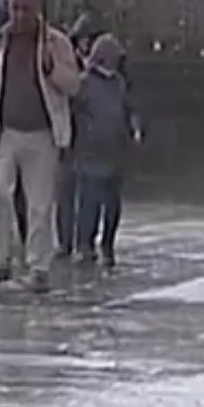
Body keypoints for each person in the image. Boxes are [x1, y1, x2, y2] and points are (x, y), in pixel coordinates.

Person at [0, 0, 80, 294]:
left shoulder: (56, 43)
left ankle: (38, 267)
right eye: (15, 8)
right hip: (3, 133)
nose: (19, 15)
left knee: (40, 204)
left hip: (42, 134)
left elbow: (73, 86)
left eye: (26, 9)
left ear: (38, 10)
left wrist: (51, 69)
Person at [71, 34, 139, 268]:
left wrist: (132, 131)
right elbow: (75, 114)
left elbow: (127, 110)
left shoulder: (119, 83)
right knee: (89, 203)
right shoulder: (84, 83)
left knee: (112, 205)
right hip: (91, 153)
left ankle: (107, 244)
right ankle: (85, 245)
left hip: (115, 153)